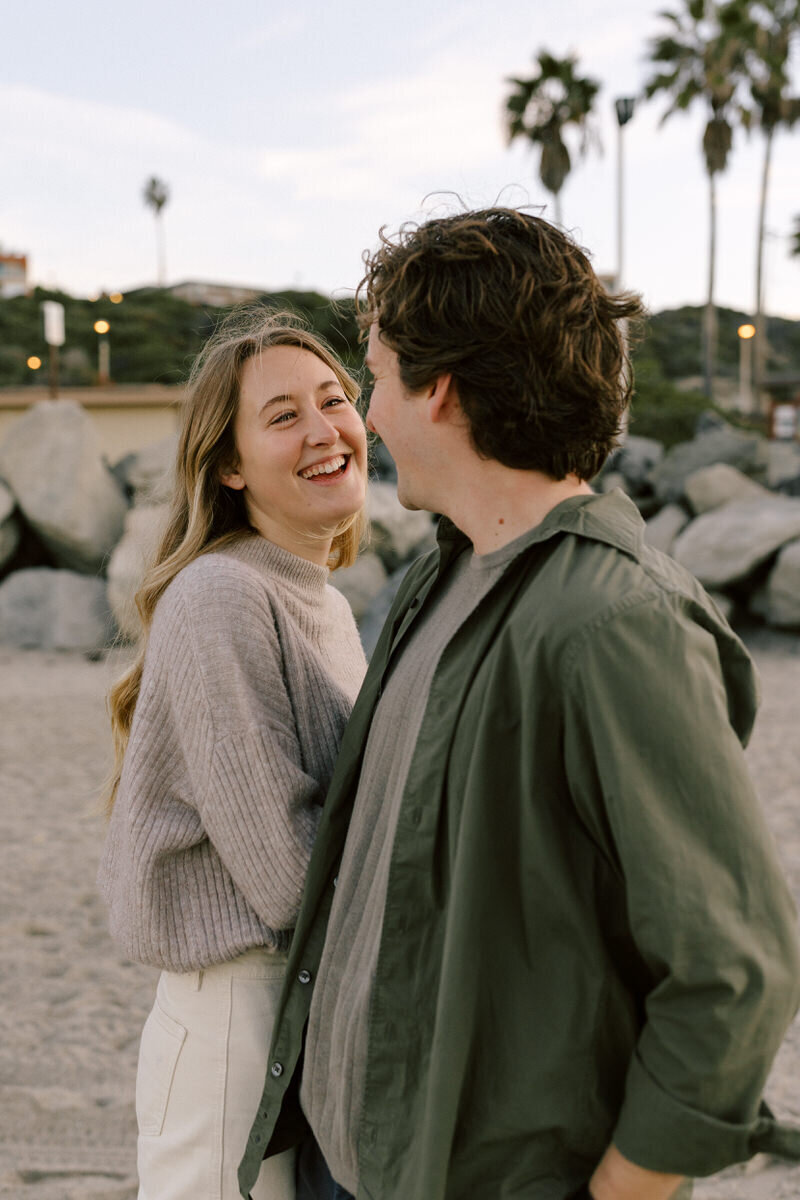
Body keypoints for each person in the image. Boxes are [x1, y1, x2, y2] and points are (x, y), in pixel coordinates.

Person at [239, 209, 800, 1200]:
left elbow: (732, 975)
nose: (366, 418)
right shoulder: (435, 580)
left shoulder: (611, 622)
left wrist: (617, 1191)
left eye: (375, 376)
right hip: (352, 1163)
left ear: (439, 389)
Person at [97, 308, 369, 1200]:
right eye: (283, 416)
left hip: (300, 1004)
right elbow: (288, 874)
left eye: (335, 400)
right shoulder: (221, 595)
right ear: (229, 464)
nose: (325, 431)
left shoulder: (321, 599)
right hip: (233, 1017)